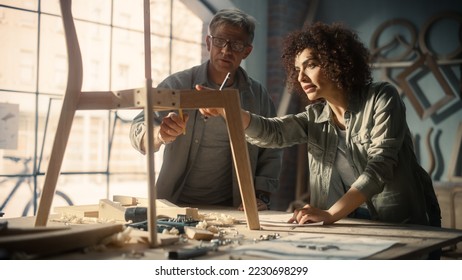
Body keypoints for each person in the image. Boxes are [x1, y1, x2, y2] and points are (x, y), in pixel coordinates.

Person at [200, 22, 441, 229]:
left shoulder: (381, 97)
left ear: (338, 61)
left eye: (311, 64)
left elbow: (379, 168)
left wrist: (330, 214)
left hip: (398, 223)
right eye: (297, 69)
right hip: (347, 225)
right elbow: (273, 132)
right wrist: (227, 109)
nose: (301, 77)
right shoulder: (315, 116)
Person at [130, 8, 282, 211]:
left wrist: (261, 195)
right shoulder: (178, 84)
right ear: (208, 42)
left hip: (234, 206)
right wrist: (159, 134)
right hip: (175, 203)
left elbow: (272, 147)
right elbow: (137, 127)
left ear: (247, 51)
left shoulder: (258, 96)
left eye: (236, 44)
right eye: (219, 41)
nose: (226, 51)